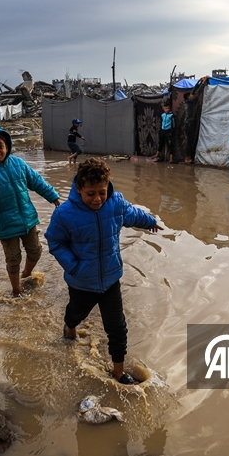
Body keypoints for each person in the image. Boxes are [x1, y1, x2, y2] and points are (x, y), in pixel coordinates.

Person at [45, 158, 161, 384]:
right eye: (91, 194)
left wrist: (150, 221)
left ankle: (118, 373)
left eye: (102, 192)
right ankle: (69, 327)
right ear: (79, 188)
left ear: (108, 186)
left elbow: (132, 214)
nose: (97, 199)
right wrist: (74, 267)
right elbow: (55, 242)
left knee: (117, 328)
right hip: (81, 282)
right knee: (75, 315)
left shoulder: (115, 202)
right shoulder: (64, 214)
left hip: (110, 279)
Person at [0, 126, 61, 296]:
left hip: (28, 219)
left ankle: (27, 274)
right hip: (6, 225)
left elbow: (37, 182)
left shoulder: (19, 164)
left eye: (0, 145)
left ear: (7, 145)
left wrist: (54, 198)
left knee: (36, 251)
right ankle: (16, 292)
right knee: (13, 260)